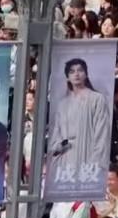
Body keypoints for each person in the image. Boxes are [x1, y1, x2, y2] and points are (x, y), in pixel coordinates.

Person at [45, 57, 114, 192]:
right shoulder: (62, 104)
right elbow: (56, 132)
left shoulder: (96, 99)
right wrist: (58, 145)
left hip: (87, 153)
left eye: (80, 70)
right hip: (66, 156)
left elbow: (102, 133)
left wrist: (95, 163)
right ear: (67, 77)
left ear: (86, 74)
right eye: (72, 71)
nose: (76, 74)